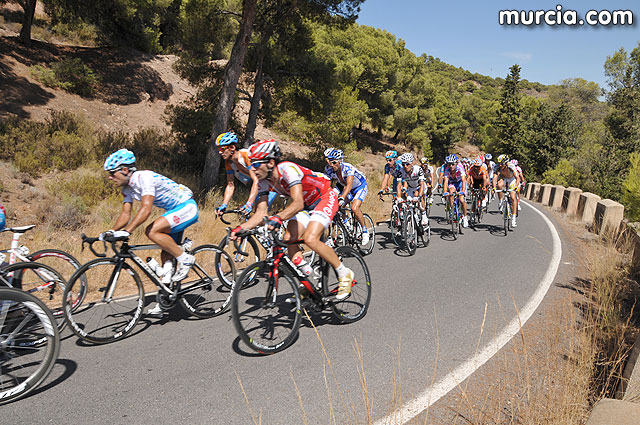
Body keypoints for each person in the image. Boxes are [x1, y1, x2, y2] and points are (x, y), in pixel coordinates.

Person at [231, 140, 354, 300]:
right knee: (288, 240)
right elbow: (261, 213)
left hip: (324, 196)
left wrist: (277, 218)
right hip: (307, 204)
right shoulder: (263, 181)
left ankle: (344, 274)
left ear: (270, 162)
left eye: (256, 164)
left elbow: (297, 203)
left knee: (310, 238)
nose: (252, 168)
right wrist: (241, 229)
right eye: (251, 164)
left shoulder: (287, 169)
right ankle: (309, 281)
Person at [102, 149, 199, 316]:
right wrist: (111, 231)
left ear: (125, 170)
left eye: (112, 173)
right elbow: (126, 214)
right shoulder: (127, 188)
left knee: (151, 231)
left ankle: (186, 259)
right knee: (166, 257)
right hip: (174, 211)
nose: (110, 177)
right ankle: (165, 300)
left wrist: (127, 232)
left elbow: (146, 209)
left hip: (186, 207)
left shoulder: (143, 177)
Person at [214, 131, 276, 216]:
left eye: (222, 149)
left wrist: (249, 203)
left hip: (271, 184)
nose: (220, 152)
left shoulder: (245, 155)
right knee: (248, 216)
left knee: (259, 211)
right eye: (218, 149)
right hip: (261, 185)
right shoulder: (229, 163)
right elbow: (230, 185)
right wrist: (224, 205)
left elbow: (256, 180)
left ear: (232, 147)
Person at [323, 148, 370, 246]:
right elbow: (325, 185)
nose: (331, 165)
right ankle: (346, 225)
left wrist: (342, 197)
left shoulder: (348, 168)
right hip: (344, 187)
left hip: (359, 187)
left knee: (354, 207)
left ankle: (365, 231)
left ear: (340, 161)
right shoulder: (329, 169)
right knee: (336, 206)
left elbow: (349, 185)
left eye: (334, 162)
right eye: (329, 162)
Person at [397, 153, 429, 227]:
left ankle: (424, 215)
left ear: (412, 163)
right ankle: (413, 217)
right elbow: (399, 185)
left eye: (407, 164)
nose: (405, 166)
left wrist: (419, 197)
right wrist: (399, 198)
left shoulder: (418, 169)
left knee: (417, 197)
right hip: (411, 188)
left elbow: (422, 184)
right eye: (403, 164)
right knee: (409, 201)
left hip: (420, 187)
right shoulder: (401, 171)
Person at [493, 154, 521, 227]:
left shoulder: (511, 166)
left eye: (501, 164)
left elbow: (518, 178)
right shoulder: (497, 167)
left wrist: (516, 186)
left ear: (505, 163)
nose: (500, 166)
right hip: (504, 178)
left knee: (512, 196)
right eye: (499, 164)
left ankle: (514, 218)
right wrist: (493, 188)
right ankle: (501, 201)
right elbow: (494, 178)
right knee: (499, 185)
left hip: (512, 179)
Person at [442, 154, 469, 228]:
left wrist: (462, 191)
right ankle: (452, 210)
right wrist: (445, 192)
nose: (451, 166)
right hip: (453, 183)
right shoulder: (447, 170)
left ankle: (465, 217)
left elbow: (463, 181)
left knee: (461, 199)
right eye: (449, 164)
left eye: (453, 164)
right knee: (451, 193)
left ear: (456, 163)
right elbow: (446, 182)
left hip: (460, 183)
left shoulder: (460, 168)